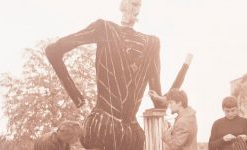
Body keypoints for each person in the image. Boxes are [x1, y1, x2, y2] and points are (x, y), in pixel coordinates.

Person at [45, 0, 166, 149]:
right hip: (127, 135)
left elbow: (52, 51)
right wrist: (172, 102)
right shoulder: (151, 43)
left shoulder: (104, 28)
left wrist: (78, 99)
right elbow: (158, 101)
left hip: (102, 128)